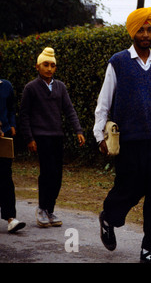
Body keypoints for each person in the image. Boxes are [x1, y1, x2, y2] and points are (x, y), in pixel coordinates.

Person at [93, 7, 151, 263]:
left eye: (150, 29)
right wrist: (99, 136)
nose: (146, 34)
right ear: (133, 31)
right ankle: (109, 217)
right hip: (129, 141)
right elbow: (104, 103)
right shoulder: (118, 61)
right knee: (129, 189)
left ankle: (150, 250)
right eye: (141, 29)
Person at [19, 47, 85, 228]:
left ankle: (50, 209)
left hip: (57, 136)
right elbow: (24, 115)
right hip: (41, 137)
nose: (49, 69)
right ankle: (41, 209)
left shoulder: (60, 87)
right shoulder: (31, 88)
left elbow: (69, 110)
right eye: (45, 65)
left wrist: (78, 130)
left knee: (57, 175)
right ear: (38, 67)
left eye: (52, 65)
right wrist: (29, 138)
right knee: (46, 173)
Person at [0, 79, 26, 233]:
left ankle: (11, 218)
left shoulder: (6, 86)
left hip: (4, 138)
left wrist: (12, 124)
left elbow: (11, 108)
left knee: (5, 177)